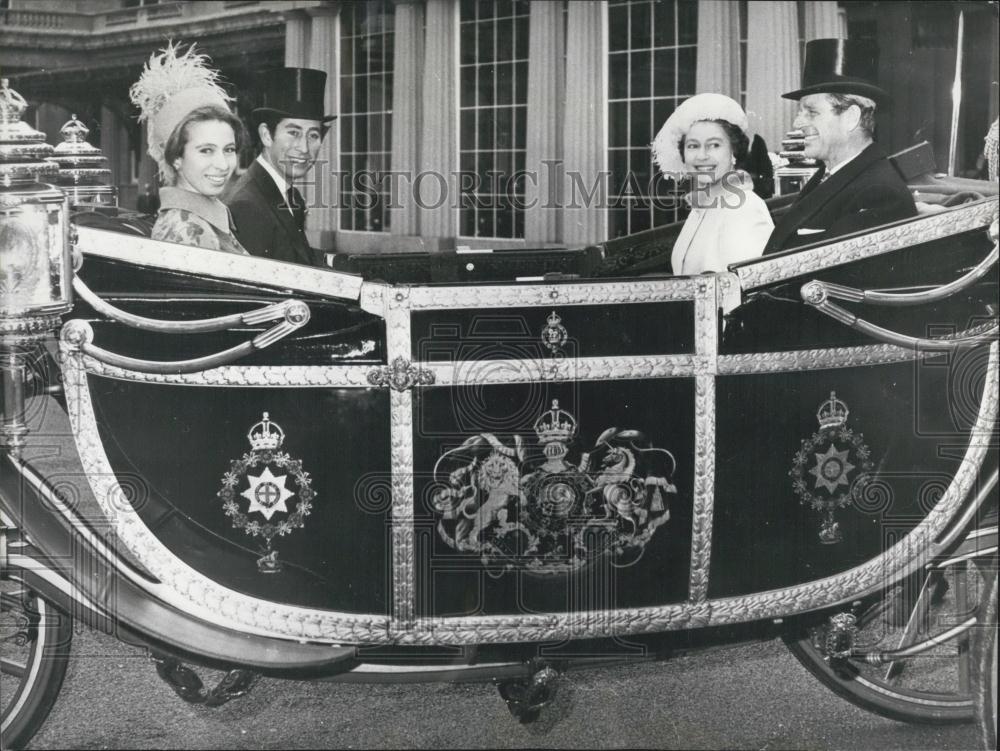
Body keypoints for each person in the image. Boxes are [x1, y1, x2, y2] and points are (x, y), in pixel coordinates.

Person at [763, 38, 916, 255]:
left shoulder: (879, 195)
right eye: (800, 112)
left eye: (811, 112)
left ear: (851, 117)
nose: (797, 123)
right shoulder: (831, 175)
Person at [129, 43, 248, 255]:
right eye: (206, 150)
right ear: (176, 157)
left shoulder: (199, 220)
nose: (222, 164)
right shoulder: (189, 231)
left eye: (228, 149)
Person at [651, 93, 774, 275]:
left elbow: (747, 290)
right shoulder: (702, 207)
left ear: (734, 152)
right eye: (693, 146)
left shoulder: (745, 208)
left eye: (714, 145)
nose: (702, 156)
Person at [226, 68, 336, 266]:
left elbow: (295, 257)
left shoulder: (287, 194)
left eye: (313, 135)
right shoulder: (247, 205)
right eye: (294, 133)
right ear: (267, 135)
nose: (304, 148)